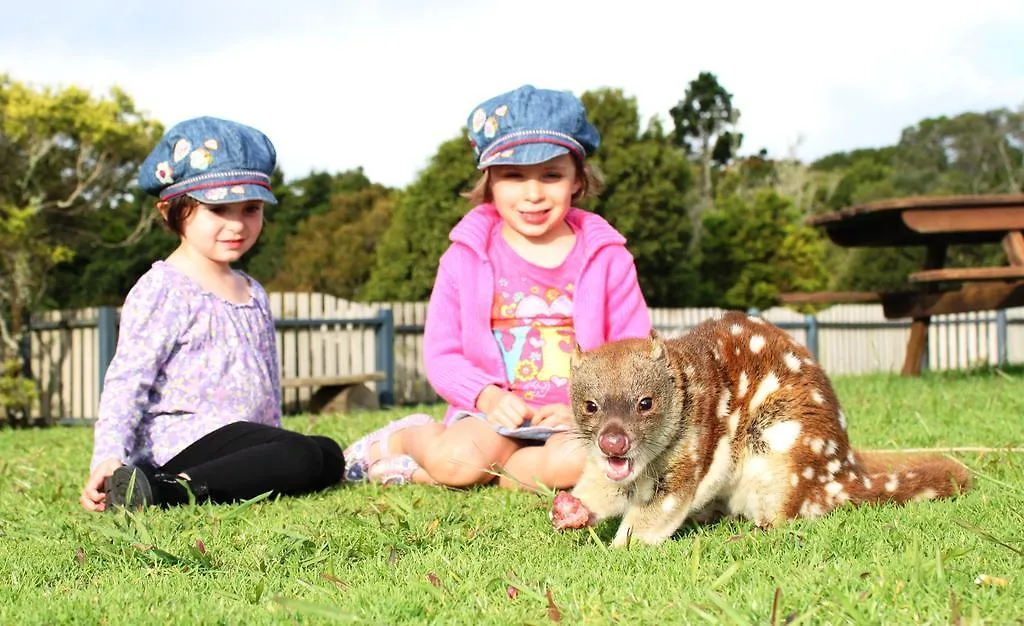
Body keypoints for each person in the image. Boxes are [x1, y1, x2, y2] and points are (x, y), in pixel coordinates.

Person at [345, 85, 651, 491]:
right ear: (489, 182)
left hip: (573, 419)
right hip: (489, 413)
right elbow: (442, 353)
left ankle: (493, 472)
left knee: (577, 463)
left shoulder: (608, 257)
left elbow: (632, 352)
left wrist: (582, 410)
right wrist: (486, 396)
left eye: (551, 175)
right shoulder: (466, 256)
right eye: (513, 176)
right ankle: (404, 438)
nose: (533, 193)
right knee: (455, 462)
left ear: (577, 180)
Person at [80, 116, 345, 512]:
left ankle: (240, 474)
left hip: (243, 442)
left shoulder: (252, 290)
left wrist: (269, 448)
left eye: (251, 208)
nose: (237, 224)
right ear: (172, 210)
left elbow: (268, 381)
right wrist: (108, 454)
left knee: (328, 454)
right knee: (301, 453)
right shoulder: (164, 288)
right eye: (219, 209)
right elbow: (127, 380)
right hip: (180, 443)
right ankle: (166, 490)